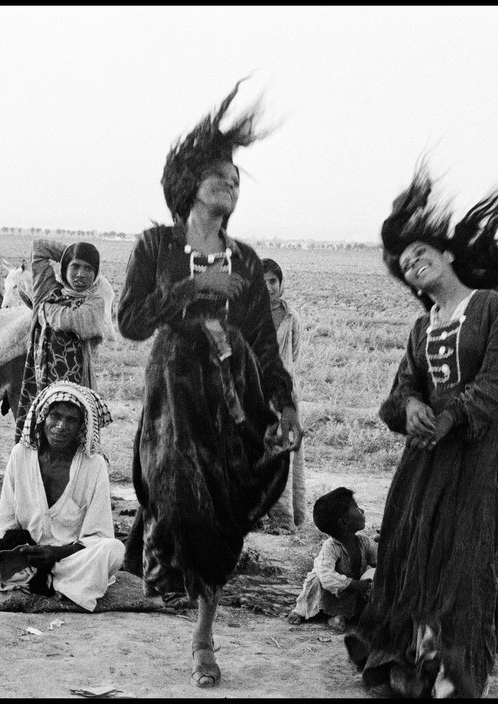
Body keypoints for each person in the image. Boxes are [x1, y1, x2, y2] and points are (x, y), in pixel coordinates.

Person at [117, 80, 302, 688]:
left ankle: (203, 637)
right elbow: (130, 322)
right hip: (172, 399)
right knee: (173, 493)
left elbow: (267, 349)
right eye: (221, 175)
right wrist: (194, 289)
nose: (232, 184)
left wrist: (285, 407)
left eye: (237, 179)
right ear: (189, 183)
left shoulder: (246, 260)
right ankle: (163, 561)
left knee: (222, 512)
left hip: (232, 402)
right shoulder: (155, 246)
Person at [344, 166, 498, 698]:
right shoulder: (420, 327)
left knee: (463, 561)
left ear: (448, 253)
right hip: (421, 466)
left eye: (420, 253)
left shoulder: (492, 309)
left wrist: (451, 414)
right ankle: (405, 664)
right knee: (411, 556)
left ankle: (452, 674)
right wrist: (408, 407)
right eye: (405, 265)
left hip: (473, 461)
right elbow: (398, 391)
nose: (413, 264)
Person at [0, 381, 125, 612]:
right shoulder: (21, 455)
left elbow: (99, 534)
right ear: (43, 417)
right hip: (24, 561)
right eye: (55, 416)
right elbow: (5, 522)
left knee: (113, 550)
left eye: (71, 420)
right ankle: (50, 584)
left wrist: (55, 553)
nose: (61, 426)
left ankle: (44, 580)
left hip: (70, 561)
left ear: (81, 426)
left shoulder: (94, 465)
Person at [14, 238, 117, 440]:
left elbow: (69, 320)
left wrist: (45, 308)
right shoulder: (48, 288)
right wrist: (71, 253)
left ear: (96, 274)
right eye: (75, 267)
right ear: (65, 267)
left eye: (88, 268)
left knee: (68, 432)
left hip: (74, 383)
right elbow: (39, 248)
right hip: (38, 377)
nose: (81, 274)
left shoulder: (94, 301)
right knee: (38, 433)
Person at [286, 487, 375, 630]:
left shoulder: (364, 542)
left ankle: (335, 618)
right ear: (343, 523)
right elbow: (327, 577)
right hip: (328, 590)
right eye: (357, 508)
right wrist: (355, 585)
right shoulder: (331, 547)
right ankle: (301, 611)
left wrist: (384, 542)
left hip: (347, 593)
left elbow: (379, 558)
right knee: (316, 582)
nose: (362, 511)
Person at [262, 257, 306, 532]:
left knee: (283, 454)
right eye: (262, 282)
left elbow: (295, 355)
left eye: (273, 281)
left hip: (285, 397)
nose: (268, 288)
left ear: (281, 283)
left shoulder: (292, 317)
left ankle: (282, 519)